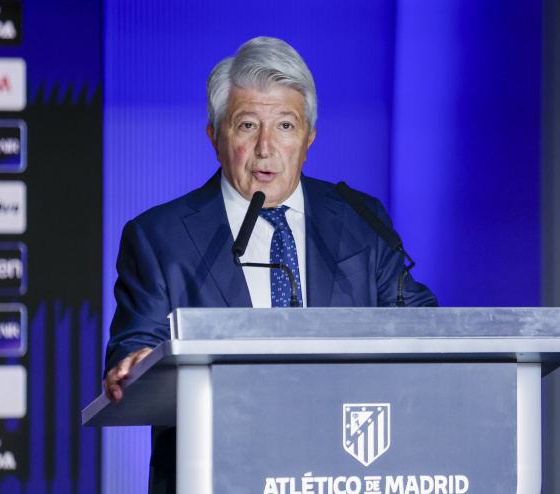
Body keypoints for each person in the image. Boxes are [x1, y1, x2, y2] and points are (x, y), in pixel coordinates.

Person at [101, 36, 437, 493]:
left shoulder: (361, 218)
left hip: (347, 474)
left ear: (308, 137)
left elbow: (422, 325)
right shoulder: (158, 236)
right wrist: (138, 364)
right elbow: (136, 344)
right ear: (215, 137)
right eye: (245, 126)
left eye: (284, 125)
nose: (265, 148)